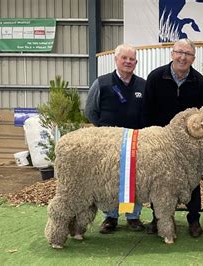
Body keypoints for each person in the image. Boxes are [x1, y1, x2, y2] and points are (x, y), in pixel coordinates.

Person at [141, 38, 203, 238]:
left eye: (187, 54)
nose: (182, 57)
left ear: (193, 58)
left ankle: (194, 219)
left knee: (192, 179)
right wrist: (148, 139)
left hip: (189, 144)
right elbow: (146, 110)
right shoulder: (155, 78)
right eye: (179, 52)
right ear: (172, 54)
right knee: (159, 181)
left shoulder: (199, 82)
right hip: (160, 143)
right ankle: (158, 217)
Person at [84, 43, 146, 234]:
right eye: (124, 58)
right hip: (108, 144)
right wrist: (104, 131)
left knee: (134, 180)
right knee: (109, 180)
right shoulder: (101, 83)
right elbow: (90, 111)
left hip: (134, 144)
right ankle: (110, 217)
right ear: (116, 60)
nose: (128, 62)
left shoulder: (142, 85)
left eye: (131, 59)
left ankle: (133, 216)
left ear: (136, 62)